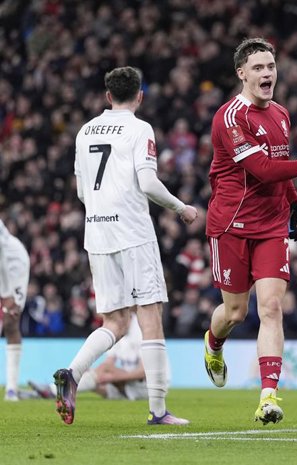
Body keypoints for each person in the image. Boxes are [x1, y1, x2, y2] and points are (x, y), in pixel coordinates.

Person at [202, 38, 297, 425]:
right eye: (258, 68)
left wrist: (294, 203)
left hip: (270, 225)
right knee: (235, 311)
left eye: (271, 66)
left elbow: (279, 165)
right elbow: (262, 170)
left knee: (272, 307)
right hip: (231, 224)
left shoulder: (280, 113)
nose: (267, 74)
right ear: (241, 73)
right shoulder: (230, 119)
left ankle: (268, 396)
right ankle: (214, 343)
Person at [53, 66, 198, 426]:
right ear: (140, 95)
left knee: (115, 322)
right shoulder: (139, 128)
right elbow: (148, 183)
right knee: (150, 318)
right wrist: (181, 208)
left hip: (97, 234)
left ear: (107, 96)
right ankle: (159, 411)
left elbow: (82, 192)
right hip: (133, 233)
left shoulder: (85, 131)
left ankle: (73, 372)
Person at [34, 314, 150, 401]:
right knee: (92, 377)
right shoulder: (121, 327)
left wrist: (112, 377)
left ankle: (55, 390)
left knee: (97, 375)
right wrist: (97, 374)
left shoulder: (141, 329)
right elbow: (108, 363)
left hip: (146, 387)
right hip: (129, 386)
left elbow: (144, 372)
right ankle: (47, 392)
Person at [0, 219, 30, 401]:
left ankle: (11, 389)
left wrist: (6, 293)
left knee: (11, 320)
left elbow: (0, 253)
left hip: (12, 263)